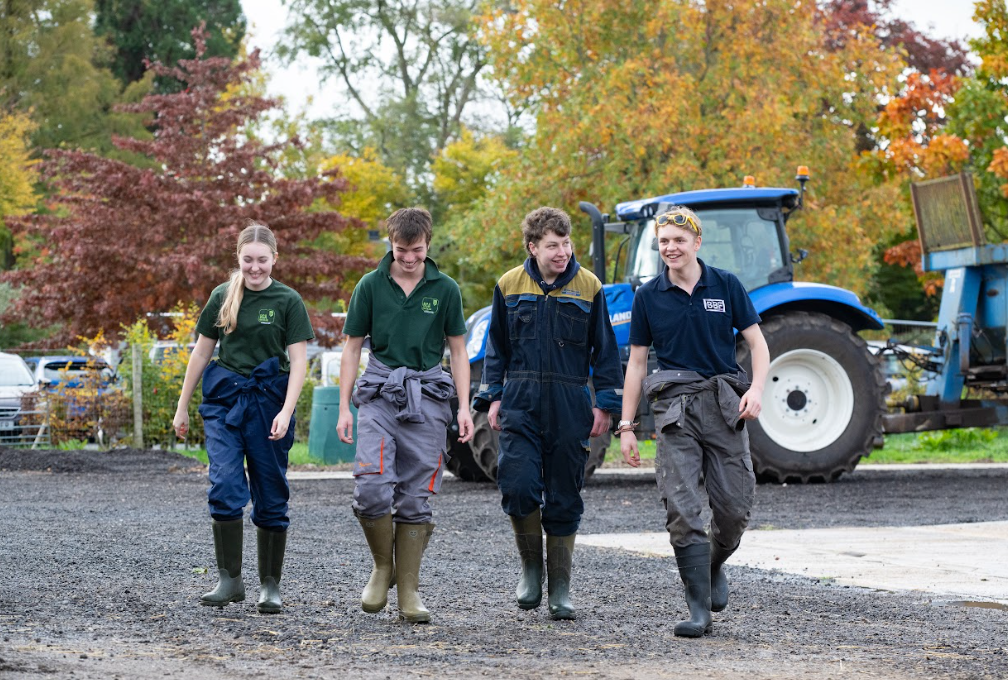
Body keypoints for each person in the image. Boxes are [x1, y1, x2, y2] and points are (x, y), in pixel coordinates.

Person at [619, 206, 769, 638]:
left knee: (734, 510)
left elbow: (758, 345)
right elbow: (637, 364)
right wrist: (627, 427)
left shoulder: (726, 285)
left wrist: (756, 389)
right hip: (676, 413)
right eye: (664, 241)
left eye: (679, 241)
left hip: (725, 407)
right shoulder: (648, 295)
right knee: (682, 510)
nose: (671, 248)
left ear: (696, 243)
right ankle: (698, 607)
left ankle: (714, 563)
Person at [473, 206, 623, 620]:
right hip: (521, 398)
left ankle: (560, 587)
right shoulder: (509, 284)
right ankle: (531, 570)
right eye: (553, 245)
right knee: (518, 485)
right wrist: (493, 396)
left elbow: (606, 351)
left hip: (569, 399)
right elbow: (496, 347)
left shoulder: (589, 286)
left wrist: (605, 404)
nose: (562, 252)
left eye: (567, 243)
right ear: (532, 246)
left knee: (564, 494)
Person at [336, 206, 474, 624]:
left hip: (429, 394)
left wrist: (464, 407)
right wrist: (344, 405)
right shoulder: (370, 285)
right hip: (379, 392)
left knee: (417, 495)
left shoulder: (445, 289)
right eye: (401, 251)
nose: (409, 259)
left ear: (428, 244)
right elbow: (352, 347)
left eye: (416, 250)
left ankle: (409, 589)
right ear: (390, 245)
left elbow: (458, 350)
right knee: (372, 486)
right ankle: (383, 568)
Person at [173, 222, 313, 614]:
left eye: (262, 260)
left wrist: (286, 411)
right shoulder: (222, 295)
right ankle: (229, 580)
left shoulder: (288, 300)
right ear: (238, 257)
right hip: (225, 403)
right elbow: (201, 353)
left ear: (274, 258)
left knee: (270, 492)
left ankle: (270, 584)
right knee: (225, 483)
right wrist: (182, 406)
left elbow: (299, 362)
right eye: (248, 260)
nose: (255, 268)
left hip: (269, 404)